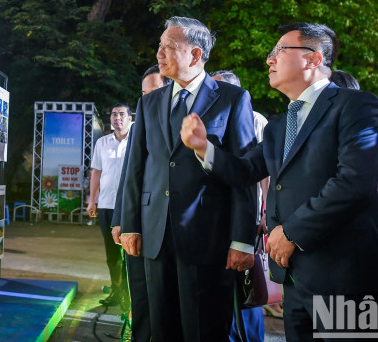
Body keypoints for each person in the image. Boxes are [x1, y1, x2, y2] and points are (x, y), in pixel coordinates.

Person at [182, 22, 378, 340]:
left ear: (313, 58)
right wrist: (203, 148)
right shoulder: (279, 126)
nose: (270, 59)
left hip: (343, 273)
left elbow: (354, 183)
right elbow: (244, 171)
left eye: (279, 51)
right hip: (293, 274)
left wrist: (292, 232)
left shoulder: (356, 106)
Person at [120, 17, 257, 341]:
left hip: (209, 239)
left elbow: (244, 174)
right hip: (155, 235)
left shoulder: (233, 99)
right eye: (159, 45)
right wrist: (130, 224)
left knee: (204, 329)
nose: (159, 53)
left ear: (196, 54)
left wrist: (242, 240)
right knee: (161, 328)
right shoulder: (149, 102)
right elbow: (136, 168)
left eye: (168, 46)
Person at [111, 64, 169, 342]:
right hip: (137, 225)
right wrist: (120, 220)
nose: (147, 99)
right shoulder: (139, 127)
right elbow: (128, 176)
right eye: (144, 94)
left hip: (166, 226)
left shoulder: (184, 123)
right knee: (139, 293)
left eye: (153, 92)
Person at [210, 70, 268, 342]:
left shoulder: (256, 120)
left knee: (247, 284)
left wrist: (264, 212)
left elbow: (264, 172)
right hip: (219, 217)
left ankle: (250, 336)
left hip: (249, 217)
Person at [88, 104, 132, 308]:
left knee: (130, 251)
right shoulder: (102, 143)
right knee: (112, 252)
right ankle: (117, 291)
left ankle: (130, 294)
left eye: (122, 114)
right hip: (106, 205)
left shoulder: (136, 142)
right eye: (114, 114)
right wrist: (92, 200)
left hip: (130, 206)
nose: (117, 117)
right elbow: (96, 172)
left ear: (130, 118)